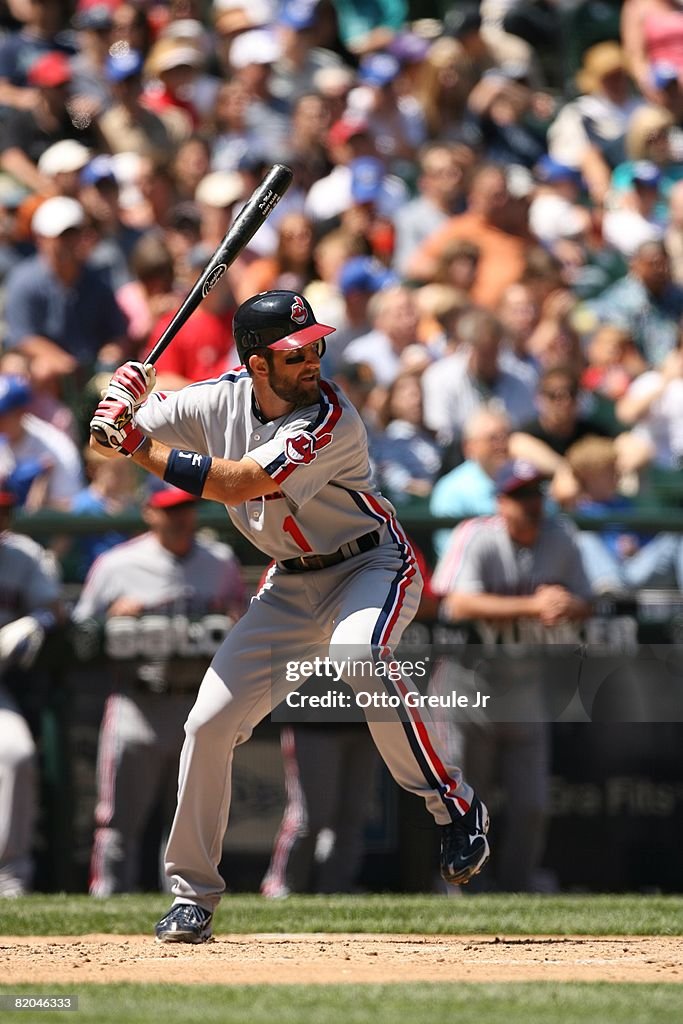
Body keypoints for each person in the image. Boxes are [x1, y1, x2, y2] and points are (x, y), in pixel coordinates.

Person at [88, 288, 491, 941]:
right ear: (255, 362)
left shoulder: (329, 416)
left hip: (370, 564)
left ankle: (452, 803)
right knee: (209, 724)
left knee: (357, 655)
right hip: (290, 584)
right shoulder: (215, 399)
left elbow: (236, 482)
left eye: (314, 346)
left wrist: (133, 437)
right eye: (293, 352)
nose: (312, 360)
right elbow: (117, 440)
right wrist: (117, 402)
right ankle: (193, 895)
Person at [72, 484, 246, 896]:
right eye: (169, 509)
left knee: (184, 820)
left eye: (186, 508)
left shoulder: (219, 562)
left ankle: (179, 903)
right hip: (138, 700)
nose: (180, 517)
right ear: (149, 512)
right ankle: (106, 904)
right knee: (118, 820)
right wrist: (110, 620)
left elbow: (244, 618)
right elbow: (79, 634)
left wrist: (232, 616)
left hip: (197, 701)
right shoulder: (117, 564)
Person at [431, 458, 593, 891]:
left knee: (531, 805)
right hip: (469, 684)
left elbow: (588, 599)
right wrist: (532, 606)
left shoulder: (560, 535)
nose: (531, 503)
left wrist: (568, 605)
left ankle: (519, 886)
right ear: (500, 502)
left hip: (525, 685)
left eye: (536, 493)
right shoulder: (477, 535)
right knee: (466, 803)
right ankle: (461, 891)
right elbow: (457, 604)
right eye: (520, 495)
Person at [0, 480, 62, 895]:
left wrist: (38, 621)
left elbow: (55, 607)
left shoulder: (22, 554)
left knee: (17, 755)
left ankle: (10, 878)